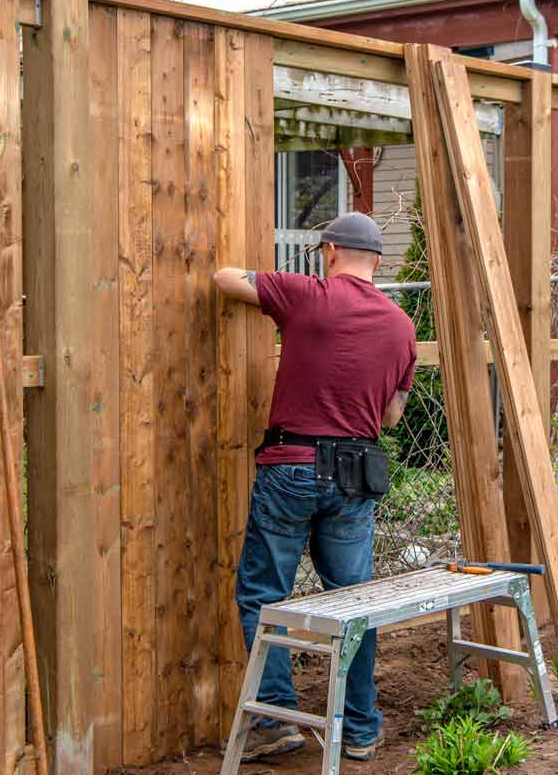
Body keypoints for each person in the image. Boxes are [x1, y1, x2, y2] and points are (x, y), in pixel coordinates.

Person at [212, 211, 416, 764]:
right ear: (377, 261)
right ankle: (361, 728)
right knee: (355, 604)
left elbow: (226, 279)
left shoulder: (305, 294)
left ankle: (276, 718)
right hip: (355, 475)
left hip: (292, 465)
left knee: (263, 595)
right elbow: (394, 416)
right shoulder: (401, 324)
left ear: (328, 251)